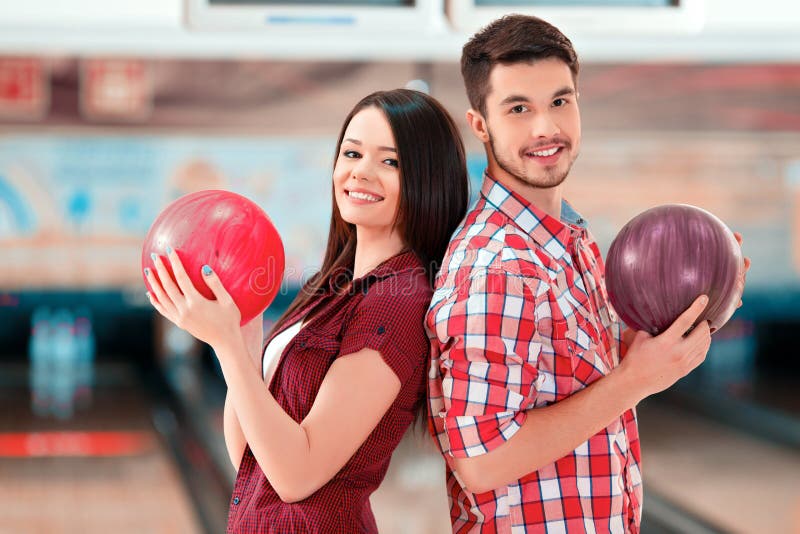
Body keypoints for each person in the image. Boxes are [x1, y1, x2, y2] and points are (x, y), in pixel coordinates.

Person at [426, 15, 750, 533]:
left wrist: (703, 307)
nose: (545, 128)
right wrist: (634, 381)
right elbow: (481, 462)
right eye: (518, 109)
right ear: (480, 125)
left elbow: (591, 378)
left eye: (560, 101)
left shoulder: (570, 243)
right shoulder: (499, 268)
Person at [144, 88, 470, 533]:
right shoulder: (331, 286)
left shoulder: (396, 302)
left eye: (389, 162)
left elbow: (296, 476)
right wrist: (242, 333)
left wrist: (225, 346)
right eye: (351, 153)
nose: (361, 173)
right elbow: (251, 460)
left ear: (428, 179)